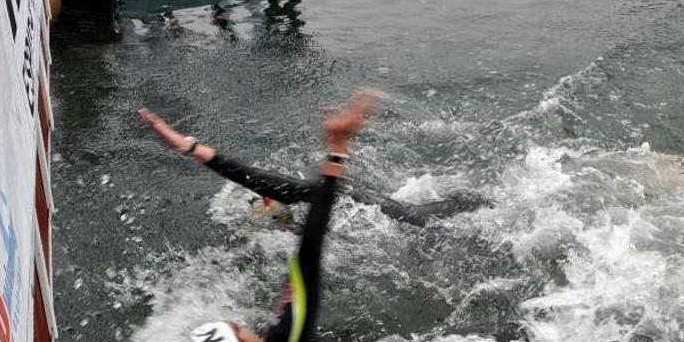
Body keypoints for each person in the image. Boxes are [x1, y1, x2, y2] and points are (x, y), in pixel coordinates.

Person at [137, 90, 385, 342]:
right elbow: (309, 252)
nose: (242, 323)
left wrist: (192, 148)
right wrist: (337, 147)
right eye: (238, 329)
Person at [139, 106, 491, 228]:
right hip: (407, 210)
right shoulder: (320, 195)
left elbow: (240, 171)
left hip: (413, 222)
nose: (264, 197)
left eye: (264, 199)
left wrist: (187, 145)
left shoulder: (304, 195)